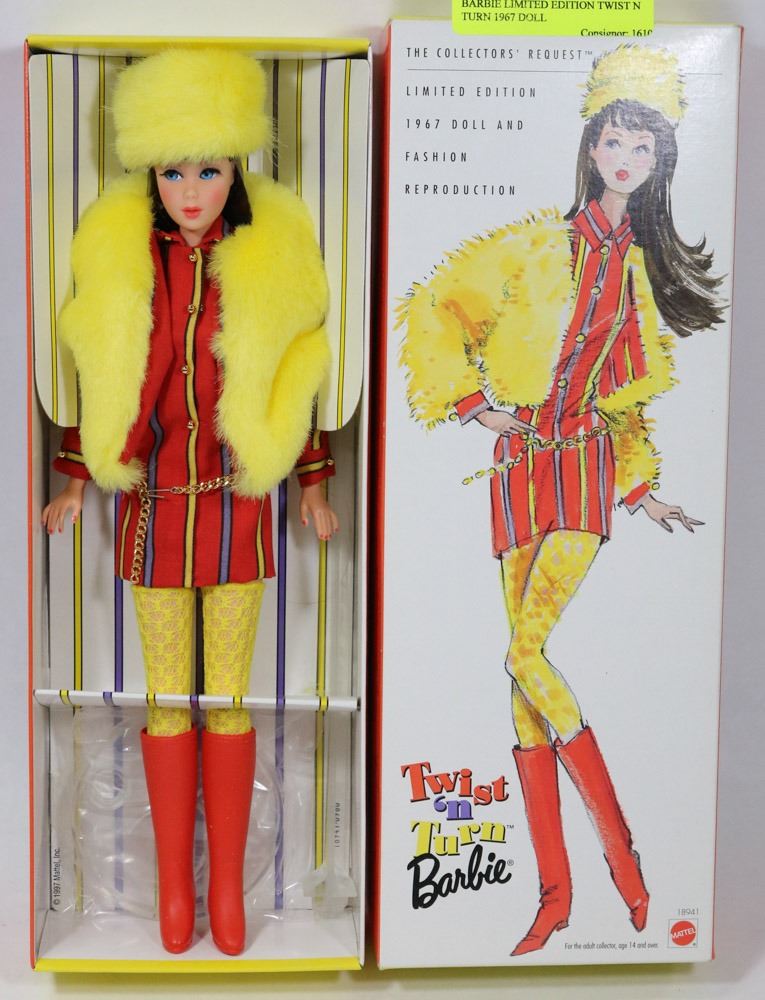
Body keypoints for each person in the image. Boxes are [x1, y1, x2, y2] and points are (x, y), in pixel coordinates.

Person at [399, 45, 723, 956]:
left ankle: (623, 861)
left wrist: (642, 489)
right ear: (589, 147)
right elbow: (433, 306)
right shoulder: (535, 245)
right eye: (613, 142)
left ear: (658, 166)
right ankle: (556, 897)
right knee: (519, 693)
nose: (624, 159)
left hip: (582, 466)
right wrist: (472, 404)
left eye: (642, 149)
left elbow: (629, 396)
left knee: (524, 651)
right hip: (517, 466)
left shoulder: (638, 273)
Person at [41, 49, 338, 956]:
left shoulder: (266, 261)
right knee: (171, 702)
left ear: (237, 167)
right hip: (155, 514)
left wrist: (314, 483)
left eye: (208, 170)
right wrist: (74, 476)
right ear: (150, 176)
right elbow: (100, 377)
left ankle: (230, 898)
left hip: (239, 512)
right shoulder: (127, 262)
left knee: (231, 703)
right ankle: (176, 891)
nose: (191, 191)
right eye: (173, 173)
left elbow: (293, 375)